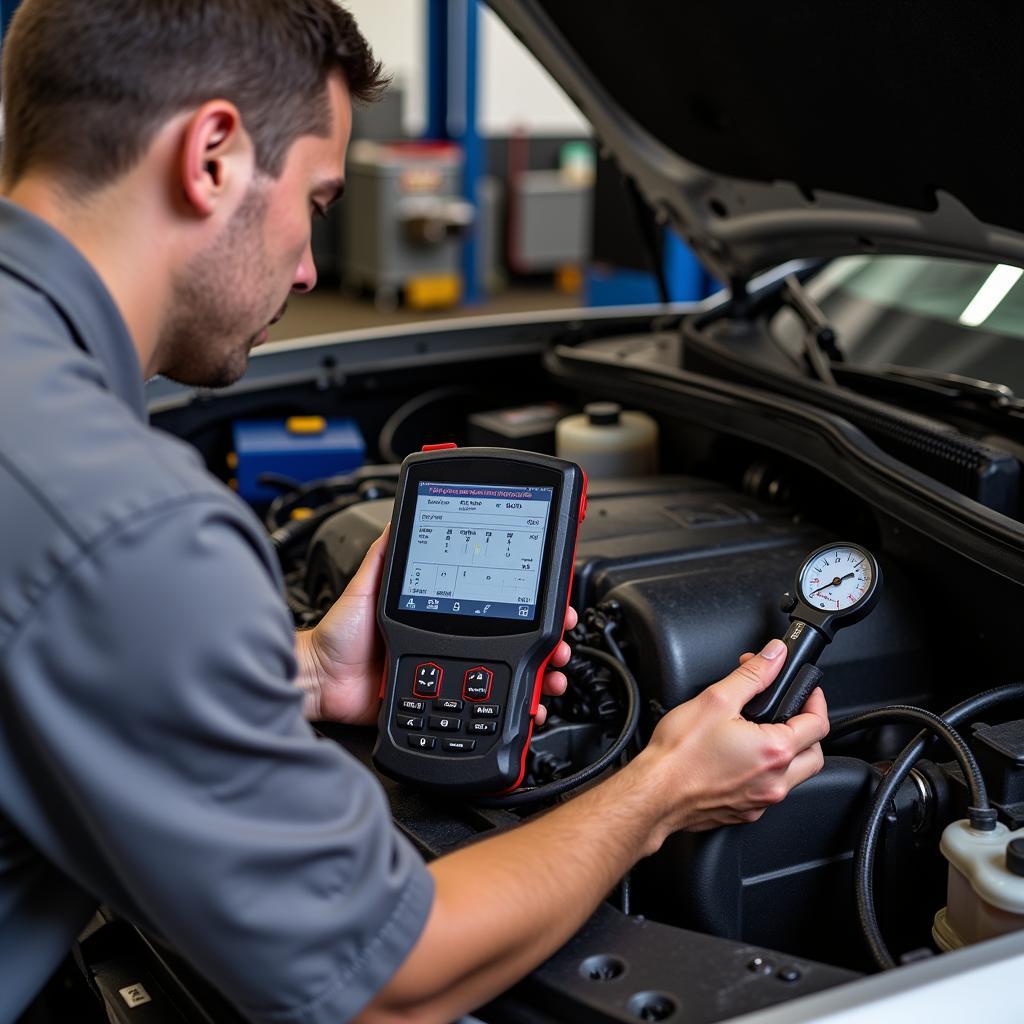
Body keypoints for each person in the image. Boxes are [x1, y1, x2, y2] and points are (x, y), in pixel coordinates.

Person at [0, 2, 830, 1022]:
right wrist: (664, 789)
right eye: (316, 197)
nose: (309, 269)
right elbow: (384, 979)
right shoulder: (126, 520)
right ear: (212, 155)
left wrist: (300, 671)